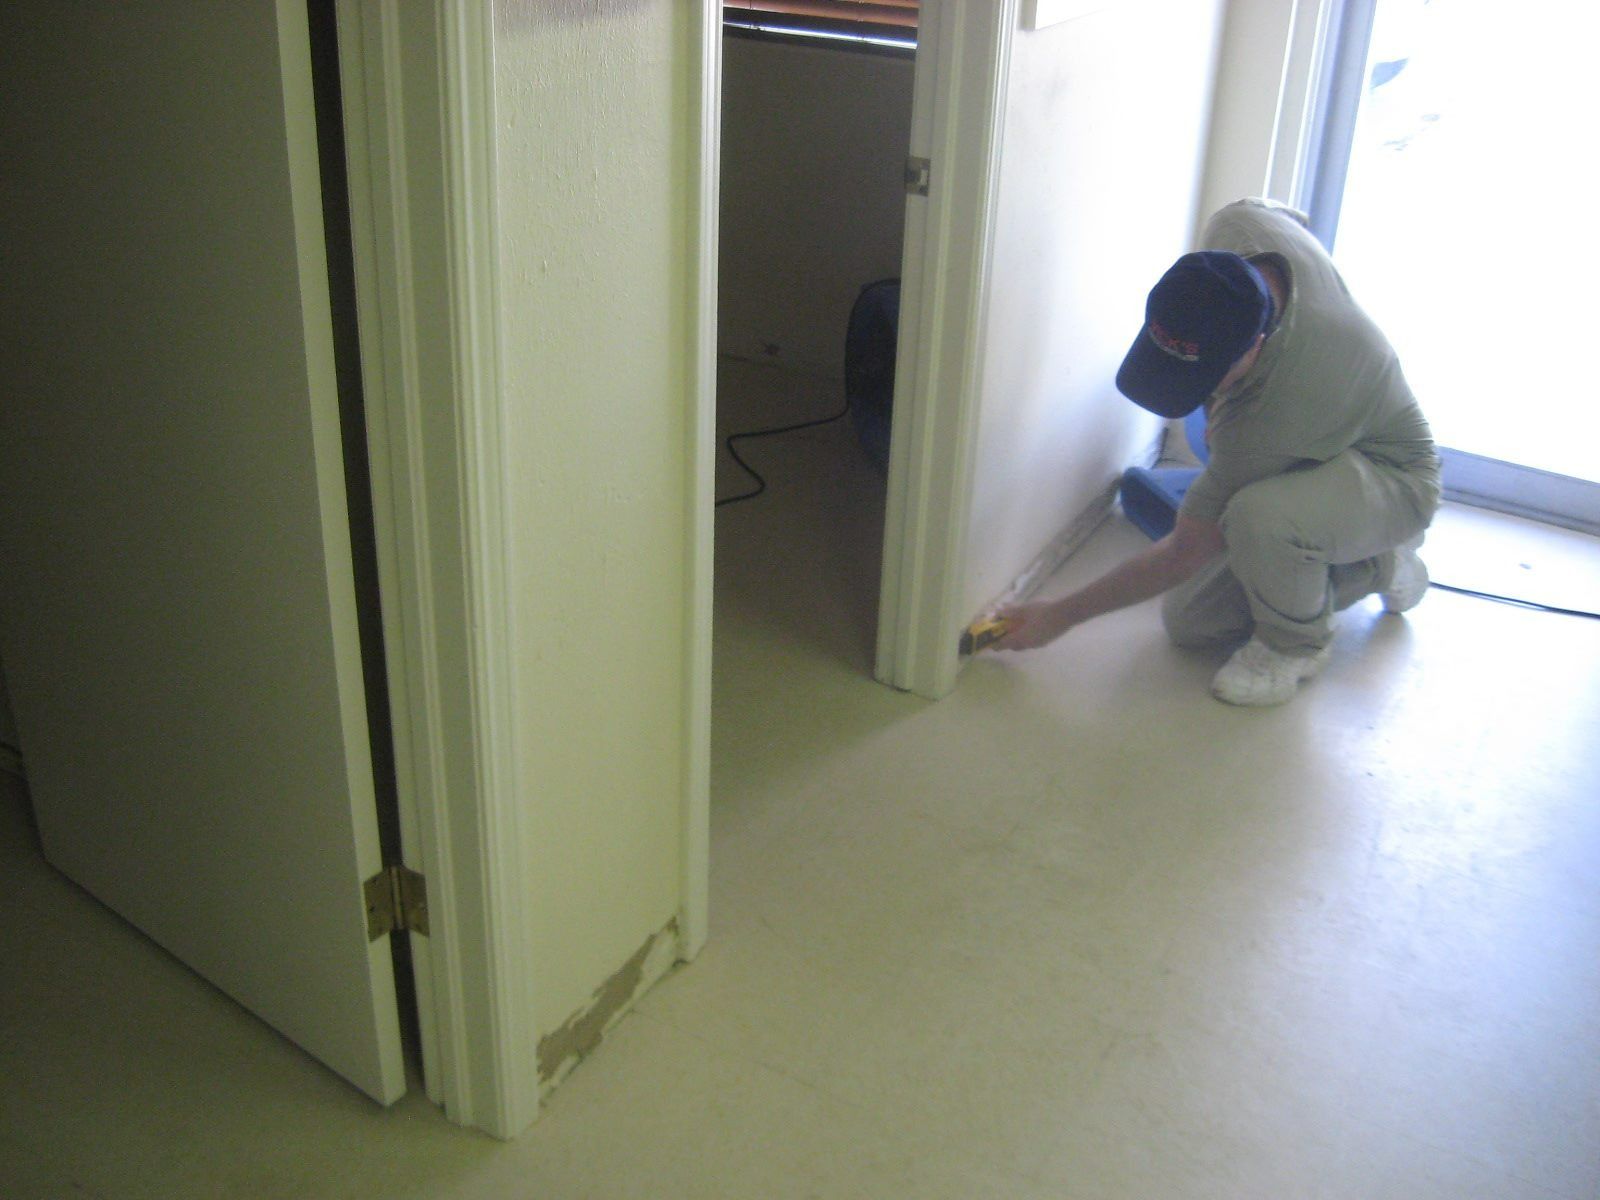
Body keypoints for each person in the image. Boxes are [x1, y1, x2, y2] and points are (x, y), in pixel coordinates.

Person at [991, 198, 1441, 706]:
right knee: (1192, 622)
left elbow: (1186, 551)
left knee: (1260, 519)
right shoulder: (1237, 229)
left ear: (1257, 344)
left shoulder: (1282, 407)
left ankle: (1316, 627)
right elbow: (1278, 213)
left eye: (1208, 374)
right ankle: (1323, 546)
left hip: (1393, 476)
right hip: (1325, 433)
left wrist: (1058, 615)